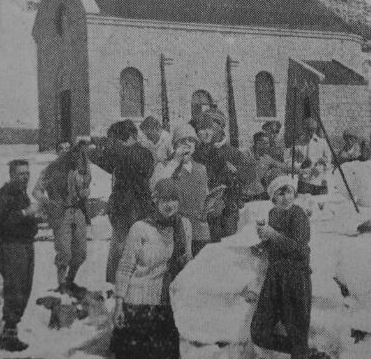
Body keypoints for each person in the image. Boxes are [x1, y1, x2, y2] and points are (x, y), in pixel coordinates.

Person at [250, 170, 331, 359]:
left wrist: (272, 236)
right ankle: (306, 352)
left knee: (297, 333)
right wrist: (263, 244)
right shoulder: (272, 214)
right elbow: (277, 242)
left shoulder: (298, 215)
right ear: (272, 197)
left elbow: (300, 248)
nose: (285, 197)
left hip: (296, 278)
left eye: (288, 192)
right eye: (279, 193)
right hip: (275, 278)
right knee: (259, 331)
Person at [111, 178, 192, 359]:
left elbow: (188, 262)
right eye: (164, 199)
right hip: (138, 301)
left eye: (173, 199)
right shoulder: (140, 228)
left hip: (165, 300)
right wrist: (119, 304)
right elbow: (125, 267)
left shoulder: (184, 226)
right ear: (155, 201)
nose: (169, 205)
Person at [89, 120, 155, 283]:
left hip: (137, 207)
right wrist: (91, 153)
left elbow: (135, 163)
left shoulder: (142, 153)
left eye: (116, 140)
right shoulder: (124, 153)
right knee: (120, 247)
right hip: (122, 208)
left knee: (134, 248)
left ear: (127, 138)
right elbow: (107, 163)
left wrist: (106, 147)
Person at [0, 159, 40, 351]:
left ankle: (11, 330)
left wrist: (32, 218)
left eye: (27, 173)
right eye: (21, 174)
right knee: (15, 290)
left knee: (25, 288)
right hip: (12, 247)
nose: (26, 177)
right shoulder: (2, 195)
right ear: (11, 175)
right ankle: (8, 334)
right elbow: (3, 222)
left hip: (25, 245)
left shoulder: (21, 194)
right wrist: (26, 213)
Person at [33, 141, 92, 293]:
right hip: (60, 214)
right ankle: (61, 284)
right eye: (61, 149)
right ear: (56, 152)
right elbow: (37, 191)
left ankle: (70, 280)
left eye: (68, 148)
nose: (65, 151)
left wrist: (85, 191)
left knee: (81, 253)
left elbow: (85, 187)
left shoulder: (77, 167)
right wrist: (48, 202)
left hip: (77, 211)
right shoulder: (51, 169)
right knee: (65, 252)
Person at [150, 123, 211, 257]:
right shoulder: (164, 165)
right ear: (174, 145)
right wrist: (176, 161)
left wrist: (209, 206)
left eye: (191, 141)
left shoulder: (201, 168)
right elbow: (155, 186)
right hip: (174, 230)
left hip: (200, 231)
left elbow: (204, 195)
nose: (187, 144)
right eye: (182, 141)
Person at [193, 108, 253, 243]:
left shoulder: (233, 152)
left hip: (227, 211)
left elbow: (249, 177)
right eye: (205, 124)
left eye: (214, 122)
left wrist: (236, 172)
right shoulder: (196, 153)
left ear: (221, 127)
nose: (210, 127)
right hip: (202, 210)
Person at [242, 131, 291, 203]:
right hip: (244, 196)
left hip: (260, 194)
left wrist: (302, 170)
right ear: (258, 143)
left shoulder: (267, 158)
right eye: (266, 143)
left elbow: (282, 166)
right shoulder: (246, 154)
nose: (268, 145)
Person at [294, 118, 330, 195]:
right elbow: (290, 161)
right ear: (303, 129)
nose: (310, 131)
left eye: (312, 129)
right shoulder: (298, 143)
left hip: (320, 181)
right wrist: (301, 165)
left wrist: (321, 165)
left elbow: (329, 161)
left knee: (321, 203)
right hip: (304, 182)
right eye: (307, 129)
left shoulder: (322, 142)